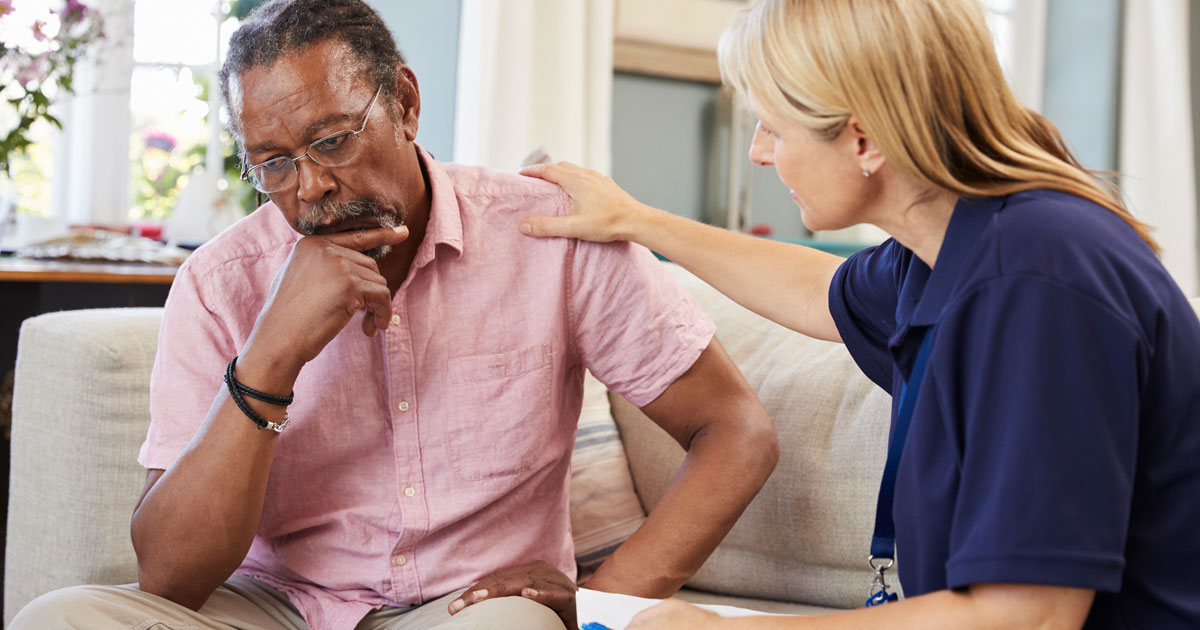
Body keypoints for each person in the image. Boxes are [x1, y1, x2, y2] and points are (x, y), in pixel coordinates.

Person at [8, 1, 781, 629]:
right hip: (273, 609)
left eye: (332, 141)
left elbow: (735, 432)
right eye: (271, 162)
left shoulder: (549, 235)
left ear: (405, 104)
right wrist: (271, 357)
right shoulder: (219, 283)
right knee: (62, 618)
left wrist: (608, 596)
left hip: (469, 611)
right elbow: (170, 578)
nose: (307, 188)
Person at [518, 0, 1200, 628]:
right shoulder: (946, 246)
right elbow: (823, 291)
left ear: (864, 141)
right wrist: (638, 221)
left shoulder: (1035, 281)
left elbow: (1028, 615)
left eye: (773, 127)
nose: (759, 152)